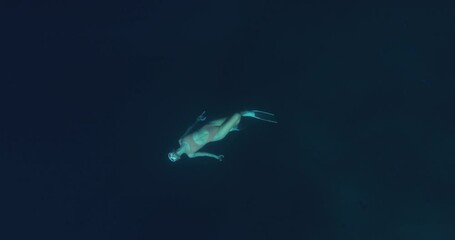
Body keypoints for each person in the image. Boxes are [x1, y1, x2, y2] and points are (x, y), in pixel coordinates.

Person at [168, 110, 277, 162]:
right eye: (174, 158)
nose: (174, 155)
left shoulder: (181, 140)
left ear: (172, 151)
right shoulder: (190, 154)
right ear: (178, 159)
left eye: (172, 155)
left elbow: (189, 128)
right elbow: (205, 154)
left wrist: (197, 119)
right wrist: (216, 157)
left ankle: (234, 128)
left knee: (233, 117)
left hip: (209, 125)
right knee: (237, 115)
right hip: (216, 135)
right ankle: (249, 114)